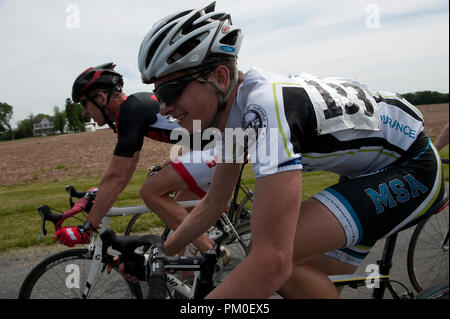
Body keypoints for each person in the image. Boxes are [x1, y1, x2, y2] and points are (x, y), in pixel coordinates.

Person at [137, 1, 446, 298]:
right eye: (158, 95)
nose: (164, 109)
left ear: (220, 76)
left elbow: (270, 263)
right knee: (297, 278)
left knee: (274, 256)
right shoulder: (236, 114)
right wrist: (160, 256)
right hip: (367, 171)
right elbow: (214, 203)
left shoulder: (264, 109)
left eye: (170, 92)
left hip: (412, 165)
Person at [54, 63, 222, 265]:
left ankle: (214, 252)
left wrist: (87, 228)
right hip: (212, 148)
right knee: (179, 215)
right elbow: (128, 168)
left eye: (84, 104)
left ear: (100, 98)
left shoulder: (131, 110)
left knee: (150, 192)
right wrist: (100, 192)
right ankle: (187, 277)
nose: (84, 112)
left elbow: (118, 176)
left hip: (219, 148)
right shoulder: (132, 108)